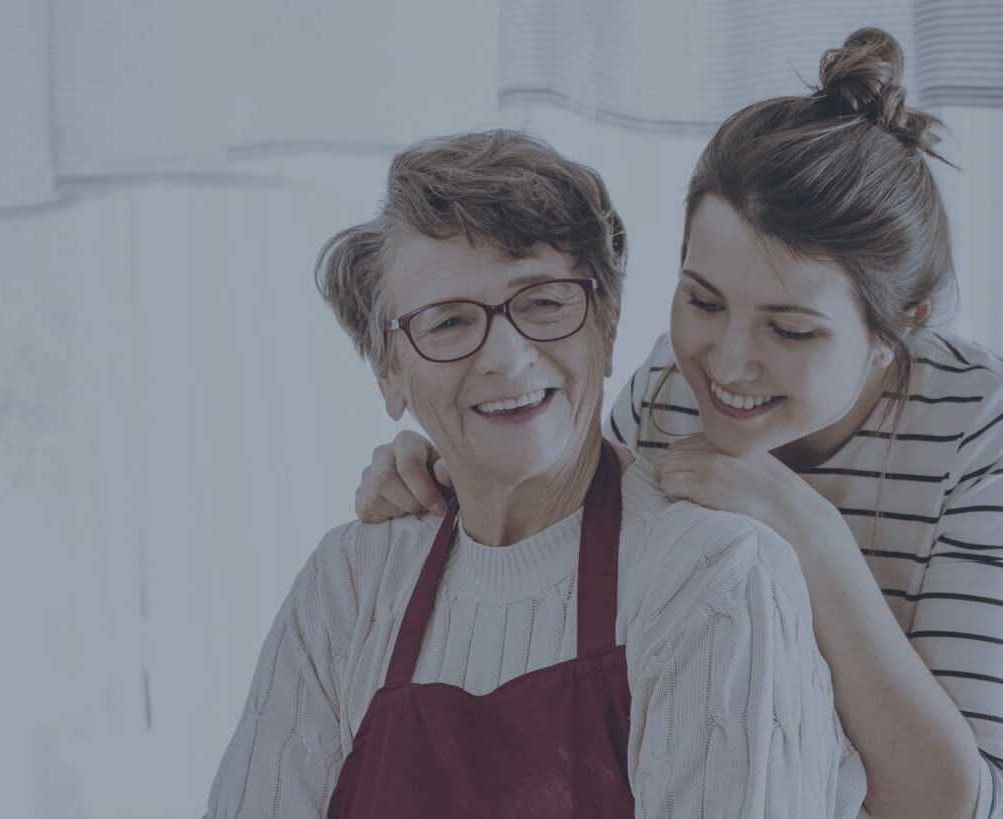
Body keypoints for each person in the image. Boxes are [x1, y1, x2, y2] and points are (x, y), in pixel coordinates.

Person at [350, 27, 1003, 819]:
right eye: (702, 300)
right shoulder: (668, 385)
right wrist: (449, 466)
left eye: (789, 330)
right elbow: (569, 541)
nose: (726, 363)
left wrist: (805, 527)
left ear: (903, 324)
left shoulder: (979, 434)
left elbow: (956, 803)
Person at [203, 128, 866, 818]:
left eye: (545, 302)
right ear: (389, 372)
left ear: (607, 327)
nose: (509, 357)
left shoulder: (715, 577)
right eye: (449, 322)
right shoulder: (345, 586)